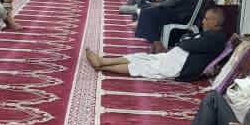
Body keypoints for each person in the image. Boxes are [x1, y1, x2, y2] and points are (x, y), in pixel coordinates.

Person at [84, 7, 226, 81]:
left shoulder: (217, 38)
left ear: (215, 22)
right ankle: (102, 61)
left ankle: (102, 67)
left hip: (179, 67)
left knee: (142, 66)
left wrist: (185, 41)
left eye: (206, 19)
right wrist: (185, 41)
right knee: (141, 57)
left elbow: (189, 44)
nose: (203, 22)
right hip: (174, 58)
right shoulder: (210, 34)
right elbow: (187, 41)